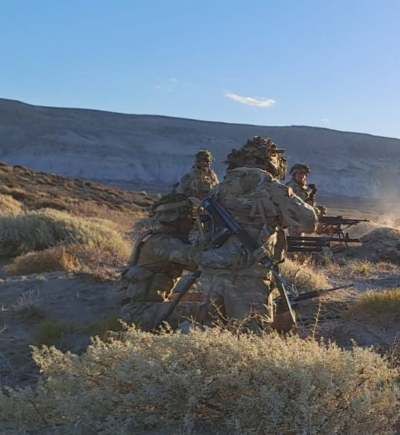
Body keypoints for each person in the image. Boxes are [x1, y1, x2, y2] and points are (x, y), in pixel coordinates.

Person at [198, 136, 318, 332]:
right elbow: (309, 222)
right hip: (249, 278)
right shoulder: (272, 188)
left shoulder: (220, 188)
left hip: (211, 274)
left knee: (210, 339)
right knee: (250, 341)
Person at [118, 193, 205, 330]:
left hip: (147, 305)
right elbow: (199, 260)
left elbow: (196, 267)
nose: (193, 223)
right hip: (140, 311)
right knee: (204, 312)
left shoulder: (158, 238)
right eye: (191, 219)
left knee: (203, 300)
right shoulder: (163, 242)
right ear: (178, 219)